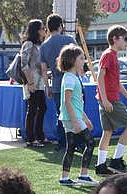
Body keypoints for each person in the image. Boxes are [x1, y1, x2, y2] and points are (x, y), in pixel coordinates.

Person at [94, 26, 127, 176]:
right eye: (125, 38)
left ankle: (101, 166)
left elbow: (116, 81)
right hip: (110, 100)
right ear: (115, 39)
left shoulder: (112, 55)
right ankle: (116, 161)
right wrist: (106, 100)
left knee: (107, 132)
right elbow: (100, 77)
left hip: (109, 99)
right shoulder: (109, 55)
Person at [58, 45, 97, 187]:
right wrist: (76, 121)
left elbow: (77, 103)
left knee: (71, 146)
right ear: (72, 60)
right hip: (71, 118)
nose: (83, 61)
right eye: (81, 58)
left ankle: (65, 177)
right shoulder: (70, 78)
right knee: (90, 143)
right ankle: (83, 175)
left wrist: (85, 119)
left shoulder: (71, 78)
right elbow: (67, 101)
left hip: (70, 118)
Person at [38, 13, 77, 152]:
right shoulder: (69, 39)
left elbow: (43, 69)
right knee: (77, 111)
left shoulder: (44, 46)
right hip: (72, 81)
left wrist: (47, 87)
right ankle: (78, 143)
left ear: (48, 28)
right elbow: (78, 60)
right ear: (61, 25)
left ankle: (62, 144)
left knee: (61, 115)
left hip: (56, 84)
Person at [20, 19, 49, 147]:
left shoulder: (38, 45)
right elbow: (24, 64)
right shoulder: (29, 44)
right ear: (37, 30)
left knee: (42, 107)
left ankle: (40, 135)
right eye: (43, 28)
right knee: (32, 109)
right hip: (32, 82)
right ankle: (31, 138)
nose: (44, 30)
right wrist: (30, 82)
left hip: (39, 83)